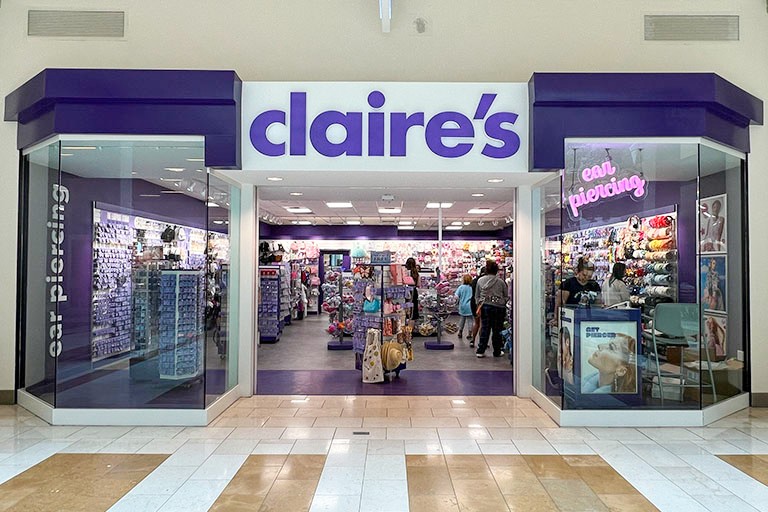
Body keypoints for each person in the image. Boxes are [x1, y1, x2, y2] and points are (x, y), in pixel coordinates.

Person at [475, 260, 508, 358]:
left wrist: (479, 305)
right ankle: (497, 351)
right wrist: (501, 301)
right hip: (498, 308)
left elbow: (477, 296)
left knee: (485, 328)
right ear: (496, 270)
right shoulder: (501, 282)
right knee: (497, 330)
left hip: (485, 306)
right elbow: (506, 296)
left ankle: (481, 350)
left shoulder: (480, 281)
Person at [468, 267, 486, 348]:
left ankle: (473, 340)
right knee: (482, 323)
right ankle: (481, 342)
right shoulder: (485, 281)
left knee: (476, 323)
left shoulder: (475, 280)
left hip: (473, 302)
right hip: (482, 302)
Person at [454, 274, 474, 340]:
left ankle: (460, 332)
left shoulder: (461, 287)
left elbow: (456, 296)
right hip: (470, 306)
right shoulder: (472, 287)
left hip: (462, 306)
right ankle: (470, 333)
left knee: (462, 320)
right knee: (470, 320)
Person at [404, 257, 421, 327]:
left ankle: (404, 329)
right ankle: (409, 331)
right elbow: (418, 284)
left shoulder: (405, 272)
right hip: (414, 292)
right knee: (413, 313)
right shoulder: (416, 273)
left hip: (406, 291)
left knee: (405, 309)